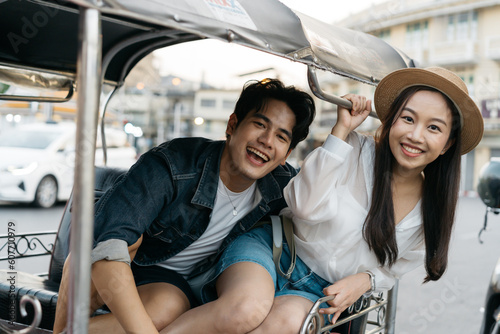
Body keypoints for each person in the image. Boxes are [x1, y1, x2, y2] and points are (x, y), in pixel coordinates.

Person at [161, 67, 483, 334]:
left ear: (447, 143)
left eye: (434, 128)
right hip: (275, 249)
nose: (415, 135)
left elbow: (395, 268)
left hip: (322, 291)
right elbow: (303, 206)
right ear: (389, 123)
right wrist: (341, 131)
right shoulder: (354, 150)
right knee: (245, 309)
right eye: (408, 119)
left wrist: (367, 279)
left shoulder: (432, 210)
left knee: (281, 324)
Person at [52, 78, 315, 334]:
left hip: (169, 283)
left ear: (287, 155)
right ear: (232, 125)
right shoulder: (172, 165)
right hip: (119, 264)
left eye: (281, 137)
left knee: (169, 306)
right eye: (260, 124)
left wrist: (357, 280)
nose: (267, 141)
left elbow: (335, 216)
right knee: (106, 248)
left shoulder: (284, 186)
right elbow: (108, 244)